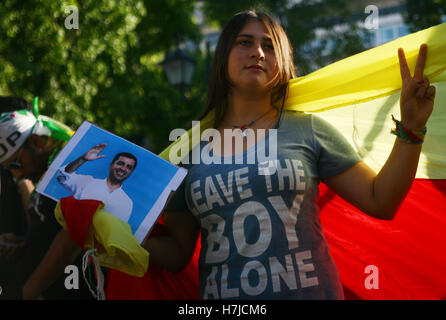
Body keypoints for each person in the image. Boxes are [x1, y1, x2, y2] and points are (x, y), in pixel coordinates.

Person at [141, 10, 436, 299]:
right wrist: (105, 234)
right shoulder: (188, 151)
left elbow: (380, 200)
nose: (258, 52)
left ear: (281, 62)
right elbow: (178, 253)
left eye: (269, 46)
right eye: (245, 42)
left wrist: (411, 129)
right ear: (222, 58)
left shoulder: (308, 130)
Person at [0, 105, 95, 300]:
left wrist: (25, 295)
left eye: (16, 164)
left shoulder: (75, 165)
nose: (16, 174)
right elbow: (47, 229)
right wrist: (25, 242)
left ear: (36, 141)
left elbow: (69, 243)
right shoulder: (48, 172)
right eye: (8, 170)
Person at [57, 143, 136, 222]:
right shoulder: (87, 182)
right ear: (111, 165)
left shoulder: (127, 203)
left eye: (128, 167)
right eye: (120, 163)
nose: (123, 168)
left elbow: (117, 230)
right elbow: (63, 177)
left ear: (131, 172)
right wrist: (83, 159)